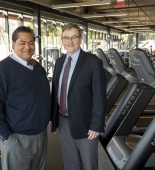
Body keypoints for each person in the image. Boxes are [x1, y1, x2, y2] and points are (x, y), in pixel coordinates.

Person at [0, 26, 50, 170]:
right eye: (22, 42)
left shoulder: (38, 68)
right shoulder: (0, 71)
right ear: (13, 45)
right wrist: (7, 137)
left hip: (40, 135)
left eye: (31, 42)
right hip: (16, 137)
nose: (28, 46)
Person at [50, 23, 106, 170]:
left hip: (86, 124)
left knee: (89, 165)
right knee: (70, 164)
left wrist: (96, 125)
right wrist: (53, 119)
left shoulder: (93, 62)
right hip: (63, 121)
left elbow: (100, 96)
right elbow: (55, 92)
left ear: (81, 39)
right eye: (66, 38)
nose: (70, 41)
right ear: (62, 40)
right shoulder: (59, 62)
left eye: (74, 37)